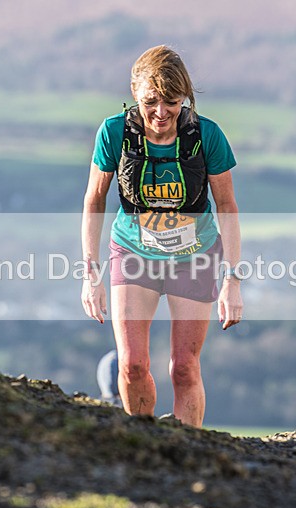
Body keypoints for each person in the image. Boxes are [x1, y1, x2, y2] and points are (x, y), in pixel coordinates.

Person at [81, 45, 243, 428]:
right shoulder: (114, 132)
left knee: (184, 368)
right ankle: (144, 444)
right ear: (135, 95)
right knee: (133, 365)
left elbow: (227, 206)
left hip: (195, 255)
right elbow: (94, 199)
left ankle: (191, 454)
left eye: (171, 102)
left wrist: (232, 281)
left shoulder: (207, 135)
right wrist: (91, 274)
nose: (160, 112)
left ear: (185, 97)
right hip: (134, 253)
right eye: (150, 101)